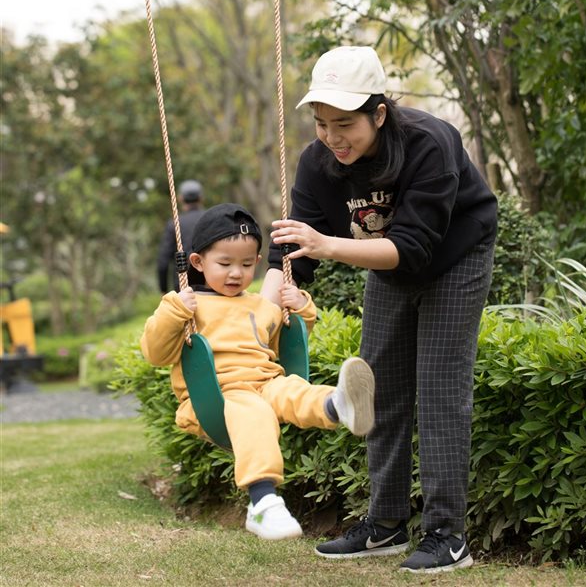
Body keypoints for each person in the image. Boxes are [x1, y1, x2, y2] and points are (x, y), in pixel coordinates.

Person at [261, 46, 497, 572]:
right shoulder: (318, 163)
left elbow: (411, 248)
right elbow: (290, 254)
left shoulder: (430, 143)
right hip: (387, 264)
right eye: (322, 123)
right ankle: (385, 524)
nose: (332, 137)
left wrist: (327, 244)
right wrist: (261, 315)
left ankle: (446, 535)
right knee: (376, 387)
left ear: (379, 113)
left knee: (439, 389)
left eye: (345, 123)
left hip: (455, 259)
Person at [141, 203, 376, 541]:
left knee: (293, 390)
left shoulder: (259, 306)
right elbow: (155, 352)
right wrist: (174, 311)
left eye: (247, 264)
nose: (236, 273)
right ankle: (263, 502)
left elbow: (287, 343)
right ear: (198, 262)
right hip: (215, 398)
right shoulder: (186, 306)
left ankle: (339, 405)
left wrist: (301, 309)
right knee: (253, 410)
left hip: (265, 382)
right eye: (225, 264)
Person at [157, 179, 205, 293]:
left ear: (180, 198)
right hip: (210, 282)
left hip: (183, 286)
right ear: (201, 198)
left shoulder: (174, 224)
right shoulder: (211, 218)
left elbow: (163, 261)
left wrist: (163, 290)